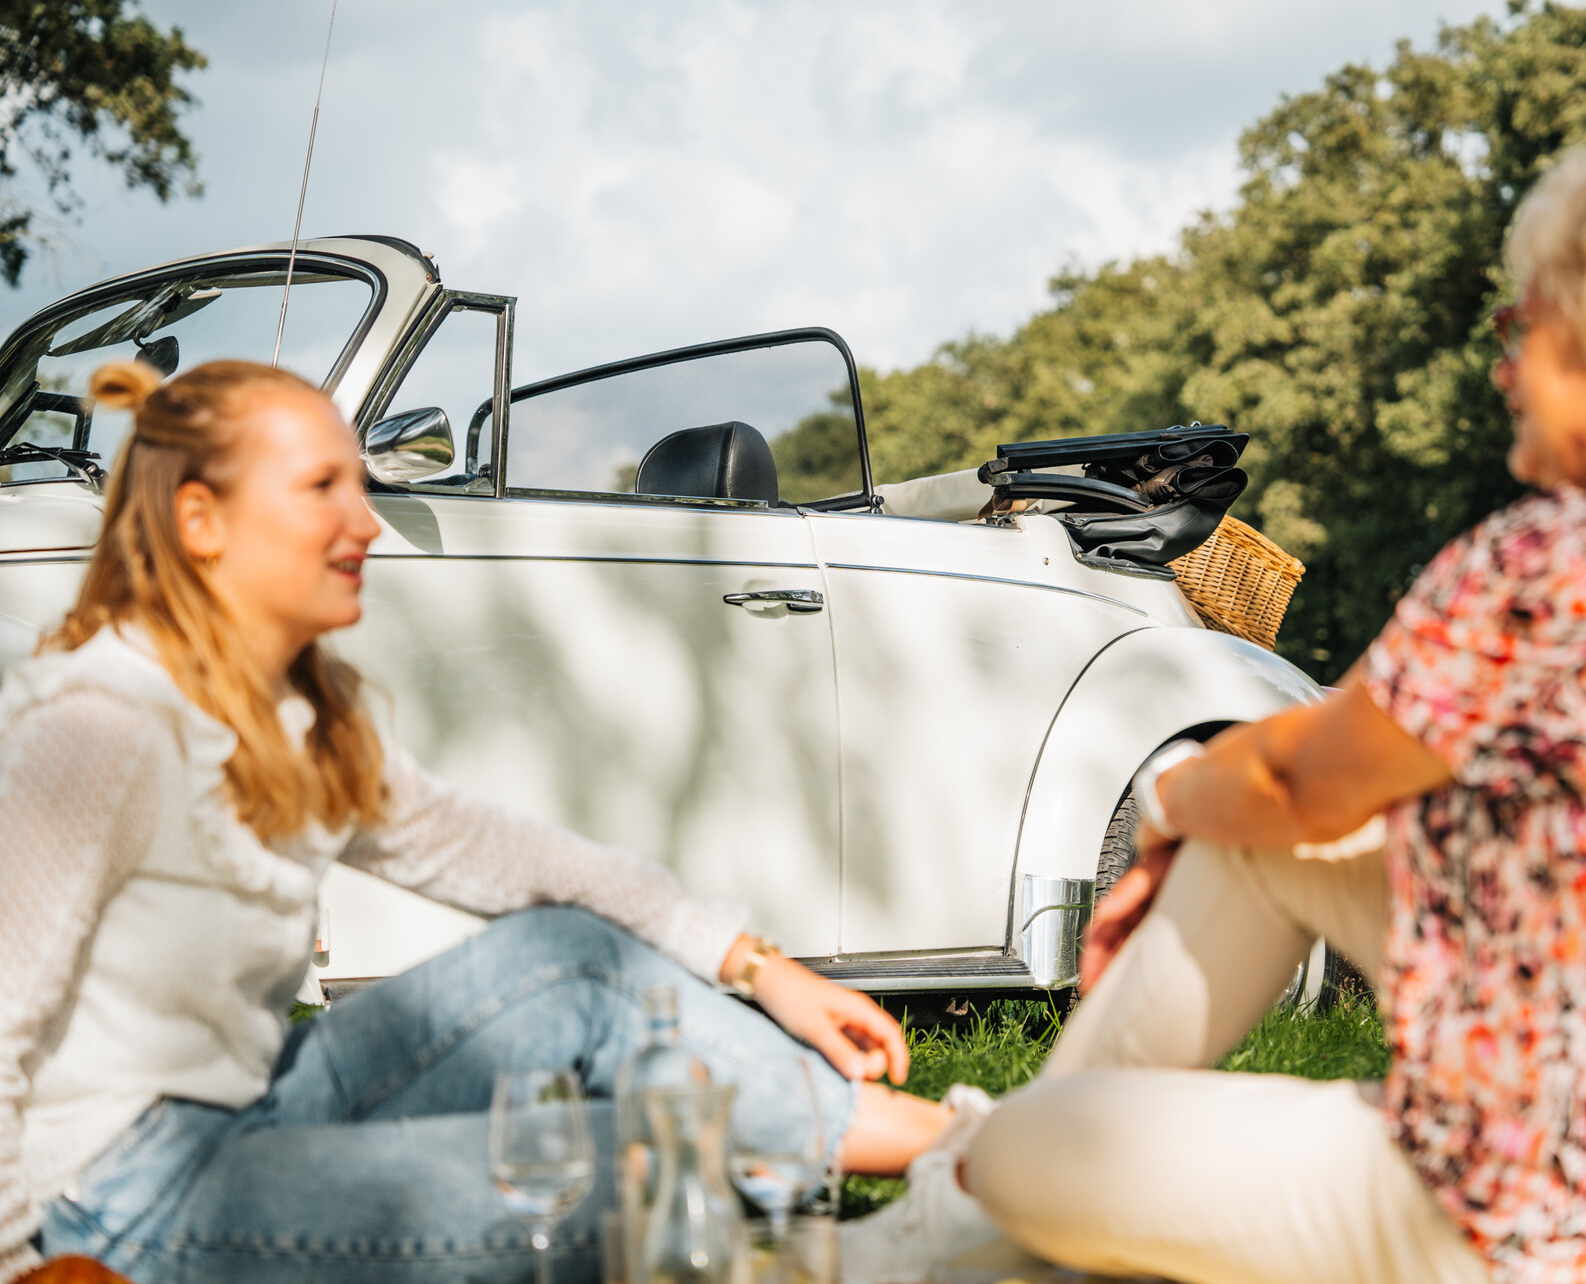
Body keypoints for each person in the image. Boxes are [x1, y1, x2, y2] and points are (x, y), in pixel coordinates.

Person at [856, 120, 1586, 1284]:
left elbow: (1290, 775)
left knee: (1020, 1147)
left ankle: (969, 1194)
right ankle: (988, 1231)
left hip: (1550, 1220)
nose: (1499, 367)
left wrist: (1171, 804)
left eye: (1519, 326)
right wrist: (1231, 818)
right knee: (1270, 849)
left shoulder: (1557, 559)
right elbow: (1321, 804)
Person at [0, 358, 965, 1284]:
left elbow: (517, 857)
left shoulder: (298, 716)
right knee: (624, 1169)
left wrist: (759, 967)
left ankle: (968, 1153)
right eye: (322, 488)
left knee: (574, 957)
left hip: (257, 1099)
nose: (367, 522)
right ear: (199, 519)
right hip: (120, 1199)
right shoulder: (100, 724)